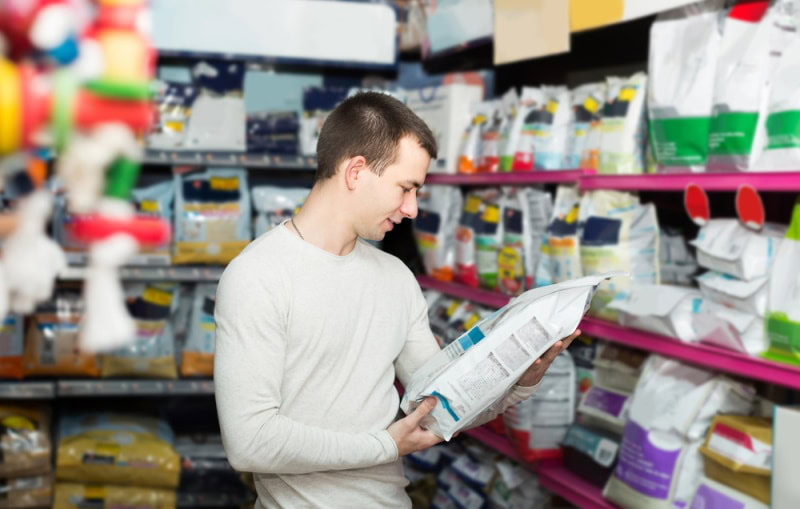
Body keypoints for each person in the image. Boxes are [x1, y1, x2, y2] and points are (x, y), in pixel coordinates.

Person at [214, 92, 578, 508]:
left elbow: (442, 406)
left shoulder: (395, 277)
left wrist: (520, 380)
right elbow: (249, 442)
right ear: (356, 172)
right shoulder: (258, 276)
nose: (412, 209)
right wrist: (384, 446)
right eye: (406, 188)